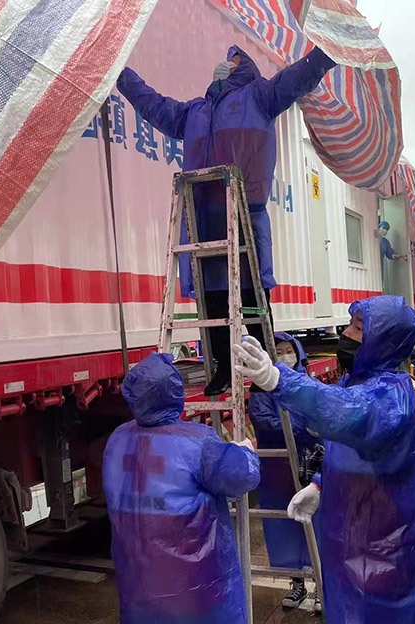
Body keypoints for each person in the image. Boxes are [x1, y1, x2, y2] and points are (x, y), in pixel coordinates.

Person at [118, 46, 336, 396]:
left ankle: (265, 371)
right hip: (203, 218)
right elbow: (154, 106)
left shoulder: (260, 97)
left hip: (243, 214)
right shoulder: (195, 112)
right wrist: (121, 75)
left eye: (232, 59)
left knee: (251, 296)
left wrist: (325, 54)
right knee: (213, 299)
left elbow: (298, 78)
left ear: (242, 66)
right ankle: (222, 366)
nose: (223, 64)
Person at [233, 296, 415, 624]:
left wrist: (278, 379)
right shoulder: (360, 383)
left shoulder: (390, 397)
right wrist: (322, 485)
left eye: (358, 328)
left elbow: (343, 414)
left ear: (381, 341)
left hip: (385, 557)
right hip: (353, 551)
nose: (346, 333)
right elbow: (355, 449)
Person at [102, 353, 260, 624]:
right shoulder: (196, 443)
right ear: (176, 392)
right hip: (195, 585)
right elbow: (243, 477)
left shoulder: (117, 439)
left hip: (139, 584)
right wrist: (245, 451)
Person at [249, 333, 326, 610]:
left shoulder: (308, 382)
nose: (284, 356)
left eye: (288, 350)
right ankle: (297, 582)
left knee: (317, 523)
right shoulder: (261, 388)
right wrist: (303, 430)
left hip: (310, 462)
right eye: (278, 351)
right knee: (284, 524)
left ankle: (322, 585)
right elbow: (265, 422)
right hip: (278, 467)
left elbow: (322, 413)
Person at [337, 322, 415, 509]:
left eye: (358, 329)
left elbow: (367, 451)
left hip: (384, 504)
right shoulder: (351, 380)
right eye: (349, 324)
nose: (346, 333)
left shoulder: (387, 391)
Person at [377, 221, 408, 294]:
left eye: (387, 229)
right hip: (371, 265)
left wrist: (400, 256)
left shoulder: (385, 242)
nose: (385, 230)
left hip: (379, 267)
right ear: (379, 227)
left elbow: (390, 254)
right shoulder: (372, 238)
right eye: (384, 228)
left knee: (378, 285)